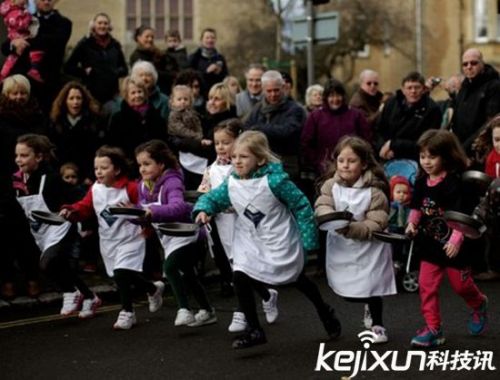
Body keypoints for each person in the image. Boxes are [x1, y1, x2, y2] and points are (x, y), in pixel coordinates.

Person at [194, 131, 341, 349]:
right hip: (249, 238)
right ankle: (254, 330)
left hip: (278, 236)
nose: (237, 161)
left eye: (243, 157)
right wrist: (204, 208)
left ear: (260, 159)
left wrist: (309, 239)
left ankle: (324, 310)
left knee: (296, 278)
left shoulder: (276, 181)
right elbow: (213, 198)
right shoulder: (231, 182)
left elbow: (301, 205)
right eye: (234, 157)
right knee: (240, 275)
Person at [60, 145, 164, 330]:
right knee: (123, 275)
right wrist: (71, 210)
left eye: (104, 167)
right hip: (108, 240)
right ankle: (152, 288)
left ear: (117, 169)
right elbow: (85, 207)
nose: (99, 172)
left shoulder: (131, 187)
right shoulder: (96, 188)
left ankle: (127, 313)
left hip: (132, 237)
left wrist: (135, 209)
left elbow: (145, 208)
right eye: (96, 168)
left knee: (121, 273)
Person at [405, 129, 488, 347]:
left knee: (461, 286)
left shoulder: (454, 183)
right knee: (426, 286)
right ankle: (434, 328)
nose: (426, 162)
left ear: (446, 156)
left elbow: (462, 213)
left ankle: (478, 304)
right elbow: (416, 206)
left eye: (432, 156)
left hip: (454, 246)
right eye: (423, 156)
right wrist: (412, 223)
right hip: (430, 243)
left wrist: (456, 239)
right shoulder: (422, 181)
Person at [315, 136, 396, 343]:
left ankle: (378, 325)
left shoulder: (375, 191)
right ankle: (366, 306)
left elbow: (376, 221)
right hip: (342, 246)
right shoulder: (331, 185)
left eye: (351, 161)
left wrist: (350, 228)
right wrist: (331, 218)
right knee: (350, 293)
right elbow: (323, 204)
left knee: (371, 287)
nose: (345, 165)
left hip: (369, 246)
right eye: (341, 160)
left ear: (364, 163)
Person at [14, 134, 101, 317]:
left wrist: (74, 214)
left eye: (24, 155)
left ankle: (71, 292)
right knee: (60, 267)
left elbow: (77, 196)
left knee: (47, 263)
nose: (18, 160)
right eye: (17, 155)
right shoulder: (17, 181)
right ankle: (89, 297)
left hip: (61, 227)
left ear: (38, 157)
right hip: (40, 231)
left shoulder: (51, 178)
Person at [134, 140, 216, 327]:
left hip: (188, 233)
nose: (142, 169)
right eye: (140, 165)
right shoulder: (143, 186)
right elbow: (142, 211)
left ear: (161, 163)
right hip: (168, 237)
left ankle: (184, 310)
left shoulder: (172, 181)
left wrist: (152, 212)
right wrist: (131, 214)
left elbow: (178, 207)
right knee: (188, 273)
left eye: (147, 164)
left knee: (170, 267)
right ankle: (208, 311)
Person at [0, 74, 47, 299]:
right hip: (6, 181)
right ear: (6, 95)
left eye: (22, 93)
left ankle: (33, 277)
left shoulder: (37, 117)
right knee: (7, 233)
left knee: (30, 233)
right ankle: (7, 280)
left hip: (34, 181)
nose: (18, 97)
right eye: (14, 93)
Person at [197, 119, 243, 326]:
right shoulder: (211, 169)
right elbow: (203, 193)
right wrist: (203, 209)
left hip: (244, 222)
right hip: (222, 224)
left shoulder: (242, 167)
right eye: (217, 143)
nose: (221, 147)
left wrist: (220, 205)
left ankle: (243, 310)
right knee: (231, 263)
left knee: (243, 263)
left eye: (226, 142)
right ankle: (260, 296)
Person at [1, 0, 72, 111]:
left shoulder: (64, 23)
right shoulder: (24, 18)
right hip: (24, 82)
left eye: (50, 0)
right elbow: (5, 47)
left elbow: (55, 43)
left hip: (48, 81)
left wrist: (23, 41)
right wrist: (13, 44)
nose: (46, 2)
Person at [169, 82, 236, 190]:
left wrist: (183, 143)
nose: (212, 102)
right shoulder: (206, 117)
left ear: (226, 101)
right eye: (210, 98)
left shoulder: (229, 123)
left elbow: (208, 149)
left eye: (217, 99)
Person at [245, 70, 306, 181]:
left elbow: (287, 131)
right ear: (263, 90)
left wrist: (260, 129)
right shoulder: (257, 109)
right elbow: (247, 128)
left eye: (276, 90)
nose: (273, 95)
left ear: (283, 87)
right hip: (262, 163)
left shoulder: (295, 109)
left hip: (286, 164)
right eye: (269, 91)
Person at [301, 79, 371, 176]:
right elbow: (306, 143)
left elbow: (366, 140)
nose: (335, 99)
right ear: (326, 97)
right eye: (331, 96)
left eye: (338, 95)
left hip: (352, 169)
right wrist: (318, 162)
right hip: (324, 170)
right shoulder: (315, 116)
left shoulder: (356, 115)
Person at [374, 71, 441, 161]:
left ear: (424, 89)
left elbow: (427, 142)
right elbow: (379, 130)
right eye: (409, 88)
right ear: (403, 90)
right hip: (387, 155)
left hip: (415, 159)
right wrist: (382, 147)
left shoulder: (432, 109)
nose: (413, 91)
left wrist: (394, 144)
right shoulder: (391, 103)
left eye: (417, 87)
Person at [64, 12, 128, 104]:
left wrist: (115, 72)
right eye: (100, 23)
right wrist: (84, 72)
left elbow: (124, 69)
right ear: (93, 25)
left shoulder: (115, 45)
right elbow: (68, 67)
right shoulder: (85, 44)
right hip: (90, 94)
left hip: (111, 95)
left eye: (105, 23)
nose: (102, 26)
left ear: (109, 26)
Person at [50, 81, 104, 183]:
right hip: (62, 175)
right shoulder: (55, 123)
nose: (75, 102)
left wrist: (91, 176)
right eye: (71, 98)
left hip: (87, 177)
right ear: (65, 101)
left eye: (79, 98)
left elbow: (97, 150)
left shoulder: (94, 122)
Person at [451, 48, 500, 155]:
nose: (469, 67)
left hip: (480, 150)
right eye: (465, 64)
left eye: (474, 63)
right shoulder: (464, 86)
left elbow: (490, 123)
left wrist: (465, 148)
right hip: (460, 149)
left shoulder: (494, 86)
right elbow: (456, 118)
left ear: (482, 64)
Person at [107, 76, 166, 163]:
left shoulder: (155, 115)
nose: (137, 95)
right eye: (133, 93)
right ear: (126, 96)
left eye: (140, 91)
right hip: (129, 164)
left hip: (155, 163)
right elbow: (114, 146)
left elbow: (163, 141)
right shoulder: (118, 118)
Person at [0, 0, 43, 82]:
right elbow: (20, 25)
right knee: (12, 59)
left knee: (35, 53)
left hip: (23, 38)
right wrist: (27, 17)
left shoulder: (20, 10)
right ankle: (2, 75)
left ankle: (34, 69)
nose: (24, 3)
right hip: (17, 37)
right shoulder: (13, 12)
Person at [129, 25, 177, 96]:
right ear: (139, 38)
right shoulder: (136, 56)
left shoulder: (159, 53)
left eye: (152, 37)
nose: (150, 39)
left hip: (164, 91)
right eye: (147, 37)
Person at [189, 28, 228, 98]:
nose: (210, 40)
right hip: (199, 96)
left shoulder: (220, 58)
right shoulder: (194, 57)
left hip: (216, 96)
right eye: (207, 38)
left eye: (212, 38)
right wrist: (206, 72)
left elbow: (226, 77)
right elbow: (190, 77)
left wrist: (219, 73)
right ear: (201, 40)